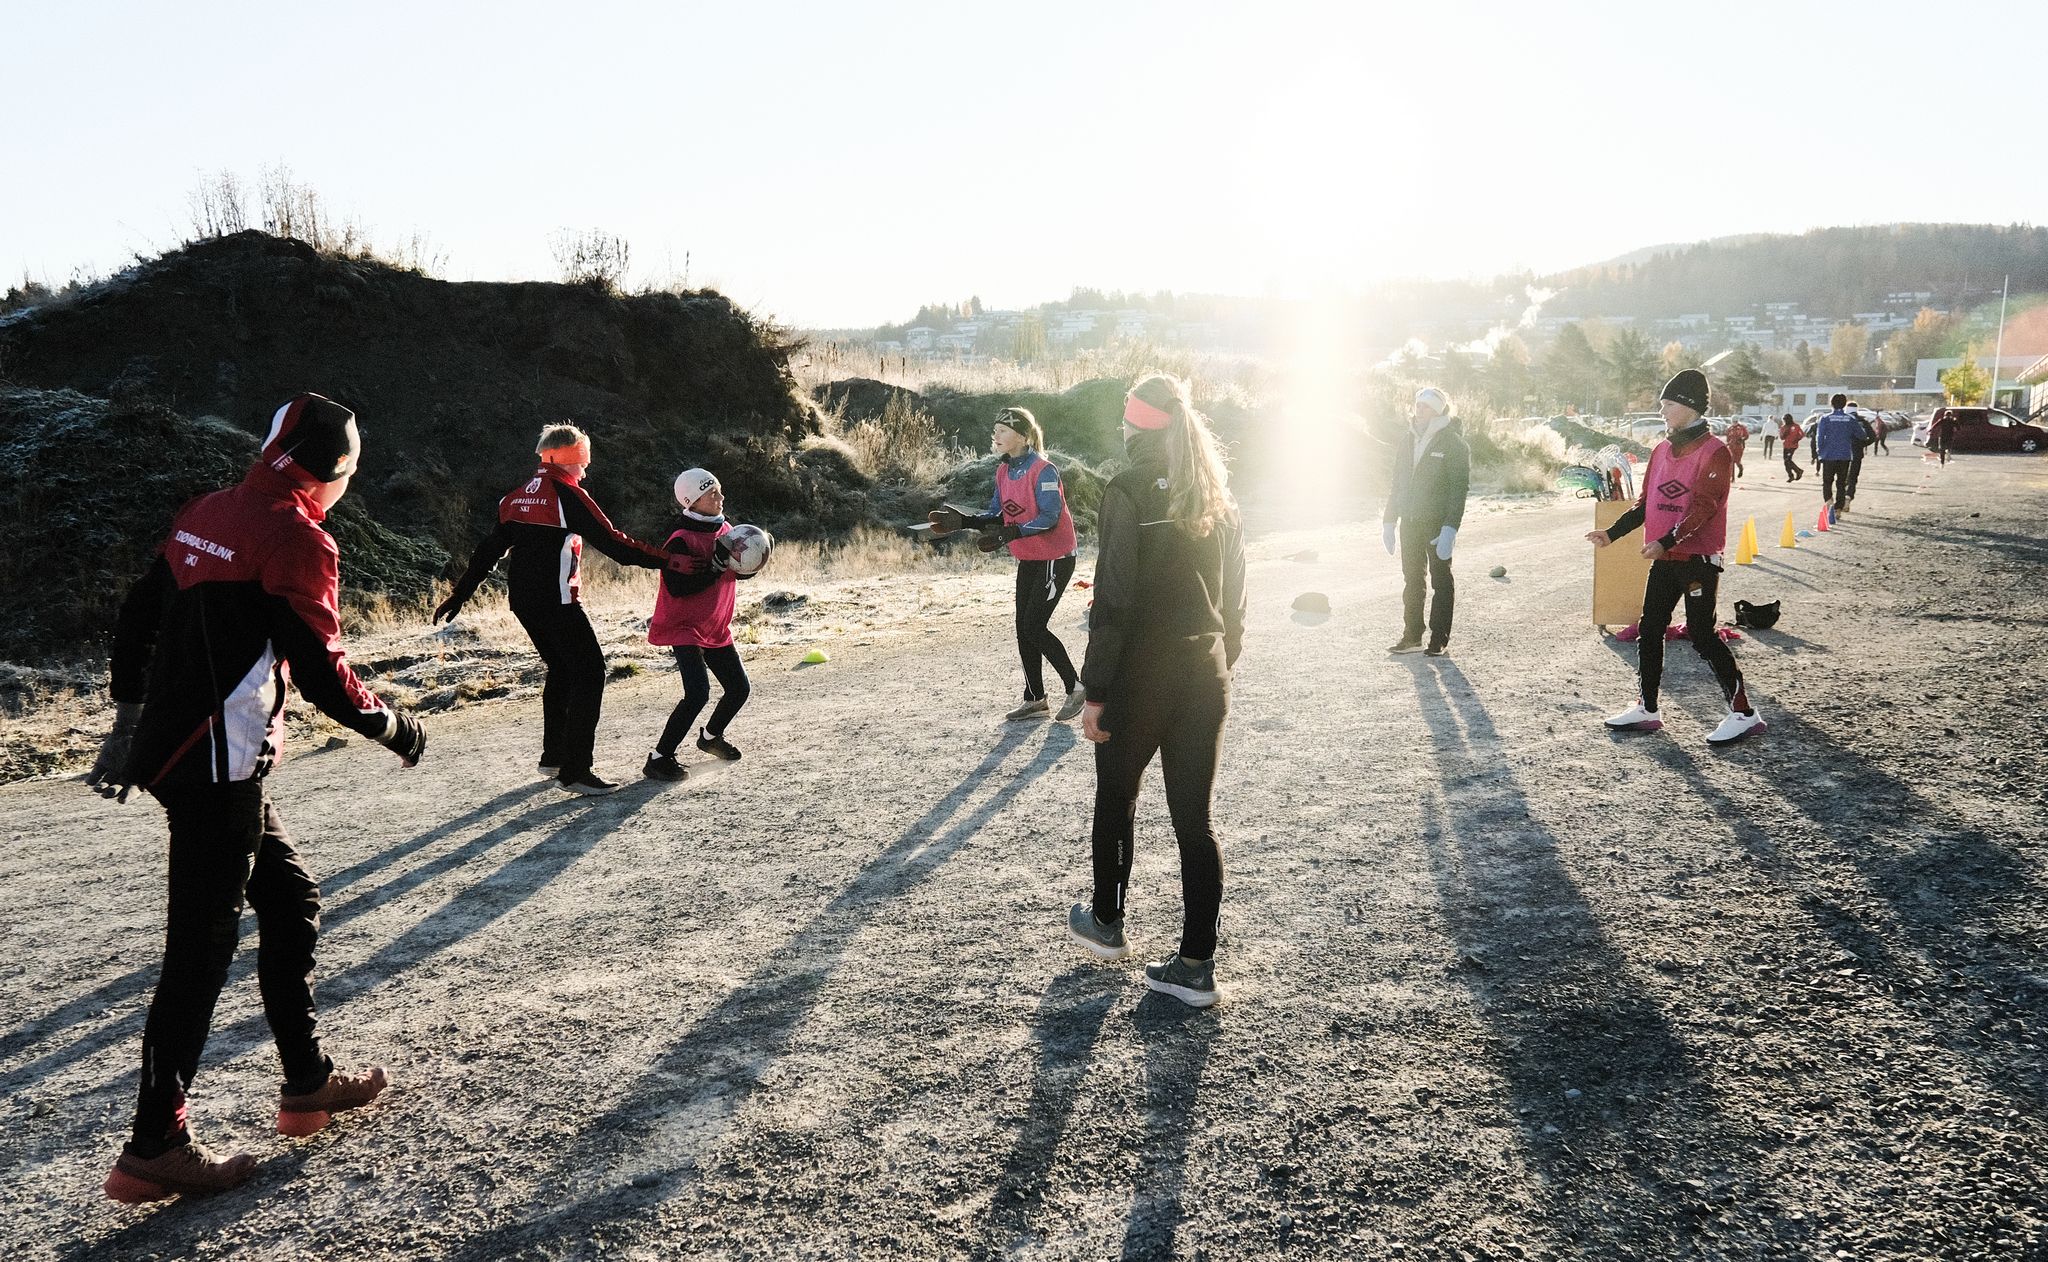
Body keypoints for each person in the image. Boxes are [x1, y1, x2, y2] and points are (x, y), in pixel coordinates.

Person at [88, 394, 426, 1203]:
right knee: (198, 958)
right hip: (218, 766)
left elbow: (138, 613)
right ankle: (155, 1146)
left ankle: (306, 1081)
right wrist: (393, 727)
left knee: (290, 897)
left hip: (186, 753)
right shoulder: (297, 537)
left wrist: (126, 717)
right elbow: (320, 671)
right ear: (335, 471)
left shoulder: (210, 507)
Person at [1065, 373, 1246, 1009]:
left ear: (1137, 421)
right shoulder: (1215, 490)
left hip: (1141, 676)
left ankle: (1107, 924)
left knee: (1116, 793)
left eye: (1124, 414)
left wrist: (1094, 690)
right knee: (1195, 822)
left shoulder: (1125, 487)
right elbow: (1235, 597)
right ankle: (1197, 965)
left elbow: (1112, 600)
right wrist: (1224, 659)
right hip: (1204, 671)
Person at [434, 424, 667, 794]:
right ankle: (576, 771)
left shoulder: (514, 499)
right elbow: (617, 546)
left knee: (561, 668)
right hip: (557, 600)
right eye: (582, 463)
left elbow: (487, 552)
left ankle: (553, 757)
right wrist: (669, 560)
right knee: (590, 671)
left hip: (523, 602)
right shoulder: (567, 496)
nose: (585, 471)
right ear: (565, 459)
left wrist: (460, 594)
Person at [1586, 370, 1766, 746]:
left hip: (1698, 559)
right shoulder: (1661, 450)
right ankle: (1647, 708)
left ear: (1689, 406)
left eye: (1668, 404)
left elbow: (1704, 507)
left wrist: (1666, 541)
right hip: (1666, 557)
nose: (1662, 410)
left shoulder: (1715, 450)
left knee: (1702, 635)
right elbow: (1646, 505)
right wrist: (1611, 534)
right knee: (1650, 628)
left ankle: (1745, 714)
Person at [927, 407, 1085, 721]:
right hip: (1029, 555)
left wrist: (1012, 532)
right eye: (995, 429)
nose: (995, 435)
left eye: (1003, 430)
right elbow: (998, 513)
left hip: (1056, 557)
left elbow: (1050, 517)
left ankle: (1077, 687)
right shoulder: (1004, 471)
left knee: (1033, 626)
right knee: (1022, 628)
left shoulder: (1044, 470)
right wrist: (965, 521)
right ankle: (1035, 699)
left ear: (1023, 437)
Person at [643, 468, 753, 780]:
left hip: (715, 625)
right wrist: (715, 569)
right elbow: (678, 589)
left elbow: (736, 571)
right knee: (697, 693)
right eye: (712, 493)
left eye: (719, 490)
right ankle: (659, 757)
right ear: (692, 501)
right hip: (684, 626)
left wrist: (753, 562)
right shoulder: (680, 540)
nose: (721, 497)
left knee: (739, 689)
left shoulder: (728, 530)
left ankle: (710, 737)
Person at [1382, 386, 1471, 657]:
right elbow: (1397, 482)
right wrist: (1389, 520)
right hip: (1409, 520)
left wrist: (1450, 528)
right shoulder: (1407, 439)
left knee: (1441, 580)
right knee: (1412, 580)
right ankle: (1412, 637)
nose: (1420, 410)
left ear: (1439, 410)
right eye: (1418, 405)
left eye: (1427, 406)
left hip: (1437, 524)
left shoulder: (1453, 443)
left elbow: (1459, 489)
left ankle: (1438, 639)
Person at [1812, 394, 1861, 518]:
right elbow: (1861, 434)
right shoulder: (1850, 419)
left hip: (1828, 455)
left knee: (1827, 482)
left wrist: (1819, 451)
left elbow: (1820, 437)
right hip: (1844, 455)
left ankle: (1829, 502)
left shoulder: (1825, 418)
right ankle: (1838, 509)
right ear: (1844, 404)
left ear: (1831, 404)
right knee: (1841, 483)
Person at [1844, 401, 1875, 506]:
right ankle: (1848, 496)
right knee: (1853, 477)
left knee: (1841, 477)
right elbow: (1872, 437)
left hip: (1841, 453)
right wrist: (1863, 444)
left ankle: (1840, 501)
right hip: (1857, 453)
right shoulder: (1863, 421)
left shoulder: (1842, 420)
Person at [1778, 414, 1804, 481]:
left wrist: (1797, 440)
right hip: (1786, 446)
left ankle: (1798, 471)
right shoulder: (1783, 427)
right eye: (1783, 420)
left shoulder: (1796, 426)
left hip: (1793, 446)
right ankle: (1792, 475)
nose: (1784, 421)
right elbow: (1781, 437)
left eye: (1785, 420)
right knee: (1786, 462)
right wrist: (1784, 434)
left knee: (1788, 460)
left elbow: (1802, 434)